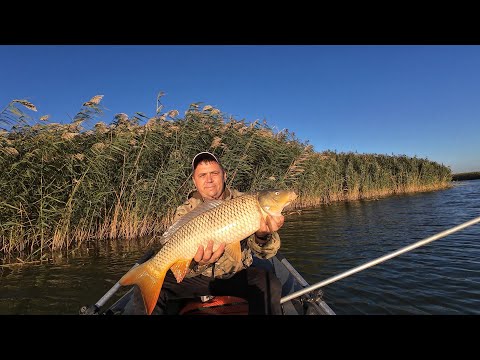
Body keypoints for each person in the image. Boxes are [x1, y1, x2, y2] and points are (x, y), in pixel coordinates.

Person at [153, 151, 285, 315]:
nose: (208, 179)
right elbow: (184, 271)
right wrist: (201, 263)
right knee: (156, 287)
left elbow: (267, 254)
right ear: (194, 180)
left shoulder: (246, 202)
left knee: (269, 283)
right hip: (198, 278)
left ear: (224, 175)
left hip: (236, 275)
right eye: (202, 175)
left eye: (214, 173)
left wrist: (262, 236)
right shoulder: (186, 211)